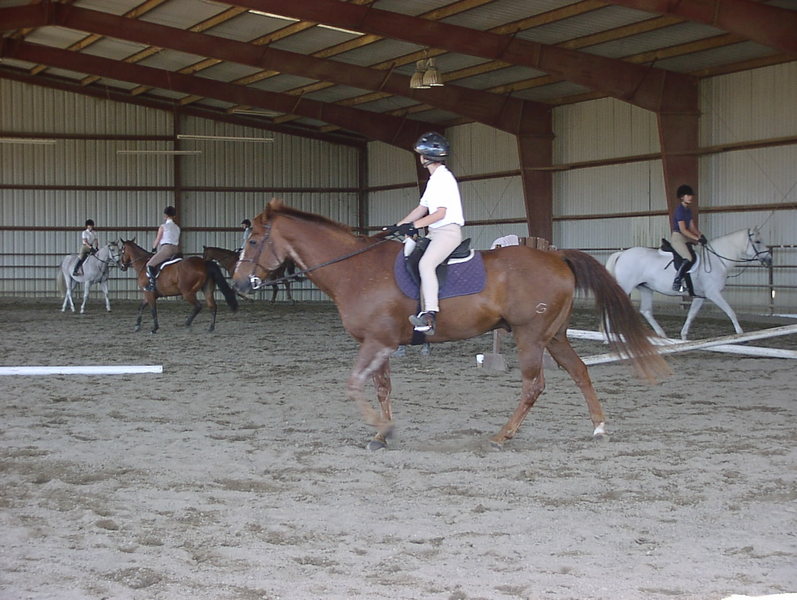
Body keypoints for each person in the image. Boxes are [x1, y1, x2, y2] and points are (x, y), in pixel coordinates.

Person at [392, 131, 465, 336]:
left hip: (447, 233)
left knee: (426, 264)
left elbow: (440, 213)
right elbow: (421, 208)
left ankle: (429, 315)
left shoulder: (443, 179)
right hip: (434, 233)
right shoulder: (434, 180)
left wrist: (414, 226)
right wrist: (398, 225)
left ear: (426, 157)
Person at [670, 184, 706, 292]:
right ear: (682, 197)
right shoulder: (679, 210)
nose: (690, 197)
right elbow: (683, 230)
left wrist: (700, 235)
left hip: (685, 238)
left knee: (697, 254)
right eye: (688, 195)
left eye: (691, 195)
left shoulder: (688, 211)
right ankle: (677, 282)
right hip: (678, 237)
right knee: (688, 258)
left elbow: (692, 227)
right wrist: (697, 239)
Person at [145, 206, 181, 291]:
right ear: (174, 216)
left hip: (166, 249)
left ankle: (152, 284)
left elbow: (158, 239)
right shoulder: (177, 228)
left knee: (149, 264)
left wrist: (153, 249)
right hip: (177, 250)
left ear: (165, 215)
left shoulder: (163, 227)